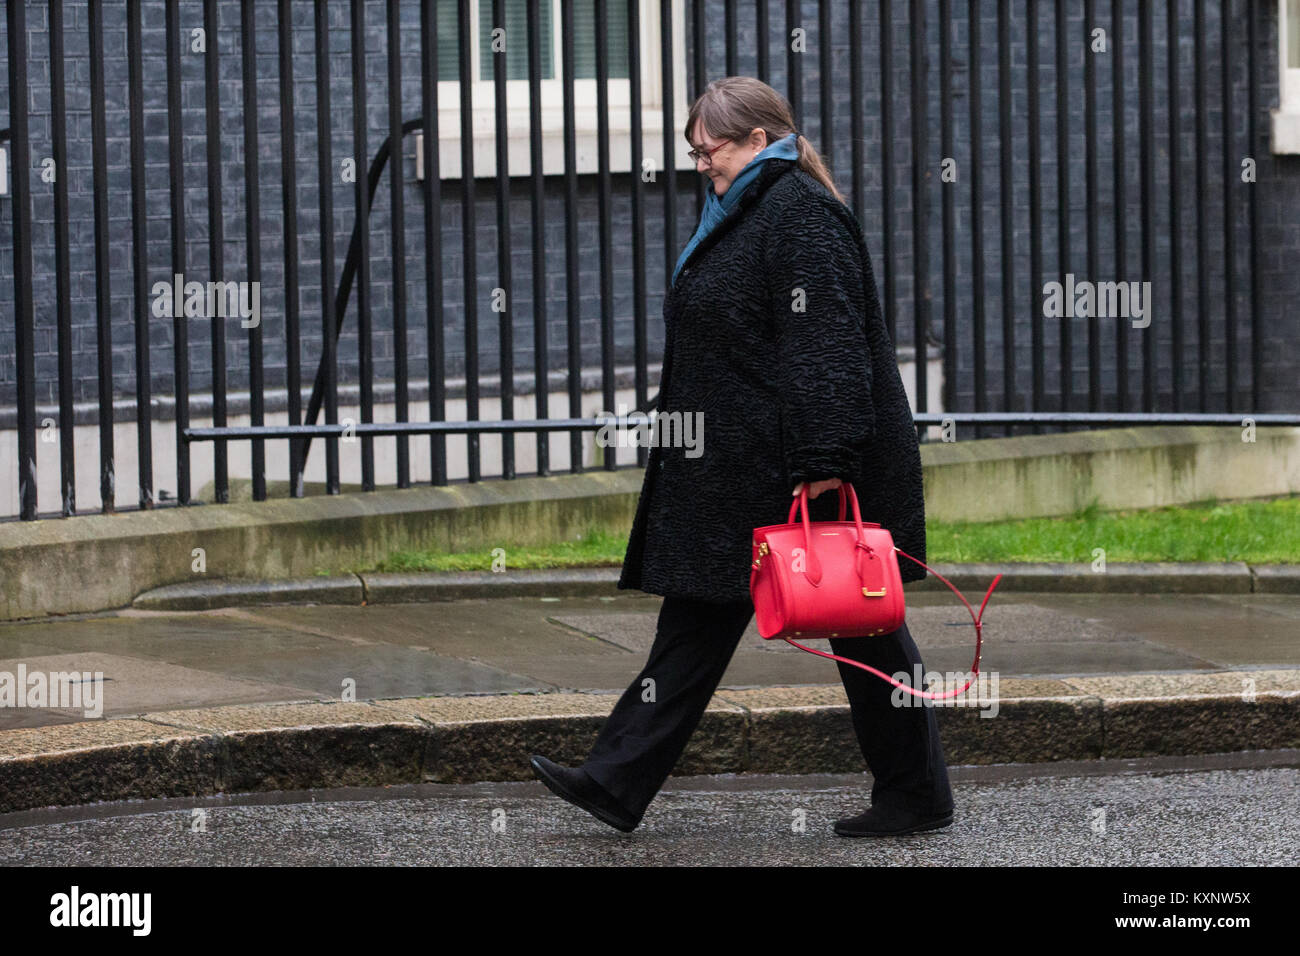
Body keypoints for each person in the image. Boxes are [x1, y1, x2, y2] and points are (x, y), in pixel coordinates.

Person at [530, 76, 954, 837]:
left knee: (863, 623)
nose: (700, 164)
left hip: (797, 464)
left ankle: (915, 793)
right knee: (713, 619)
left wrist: (826, 454)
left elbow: (824, 340)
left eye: (709, 148)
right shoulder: (749, 211)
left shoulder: (799, 214)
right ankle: (616, 780)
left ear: (759, 141)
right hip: (742, 466)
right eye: (692, 150)